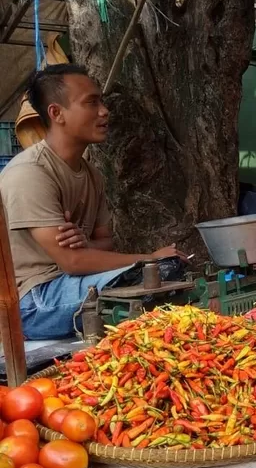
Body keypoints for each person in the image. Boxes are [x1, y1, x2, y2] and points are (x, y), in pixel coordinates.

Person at [0, 64, 185, 340]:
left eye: (101, 101)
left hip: (71, 283)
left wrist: (85, 246)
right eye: (91, 102)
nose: (104, 111)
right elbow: (73, 261)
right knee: (154, 272)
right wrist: (149, 258)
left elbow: (104, 243)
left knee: (165, 272)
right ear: (56, 113)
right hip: (32, 302)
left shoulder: (91, 175)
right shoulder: (29, 173)